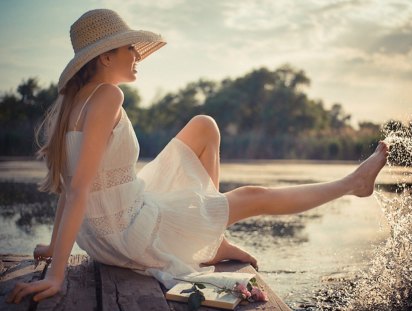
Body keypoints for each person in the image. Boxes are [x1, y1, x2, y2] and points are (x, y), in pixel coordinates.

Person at [5, 8, 389, 305]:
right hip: (127, 231)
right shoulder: (108, 97)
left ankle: (211, 234)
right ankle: (352, 184)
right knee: (252, 197)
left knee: (204, 125)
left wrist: (59, 248)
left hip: (109, 226)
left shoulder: (74, 102)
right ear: (105, 57)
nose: (137, 54)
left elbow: (71, 185)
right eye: (128, 48)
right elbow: (79, 188)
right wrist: (56, 274)